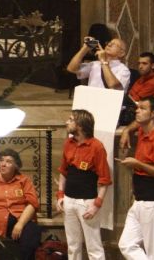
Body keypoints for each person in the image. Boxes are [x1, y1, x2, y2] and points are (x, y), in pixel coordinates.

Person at [118, 97, 154, 260]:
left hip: (153, 202)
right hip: (140, 200)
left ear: (153, 113)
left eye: (142, 109)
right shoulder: (143, 131)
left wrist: (138, 164)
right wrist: (126, 130)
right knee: (126, 245)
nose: (137, 111)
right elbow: (137, 123)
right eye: (137, 108)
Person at [56, 109, 111, 260]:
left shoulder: (96, 147)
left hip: (87, 202)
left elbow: (104, 179)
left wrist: (96, 204)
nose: (66, 122)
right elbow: (63, 171)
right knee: (73, 246)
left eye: (70, 119)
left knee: (94, 247)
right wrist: (60, 195)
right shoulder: (69, 143)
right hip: (69, 200)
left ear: (80, 125)